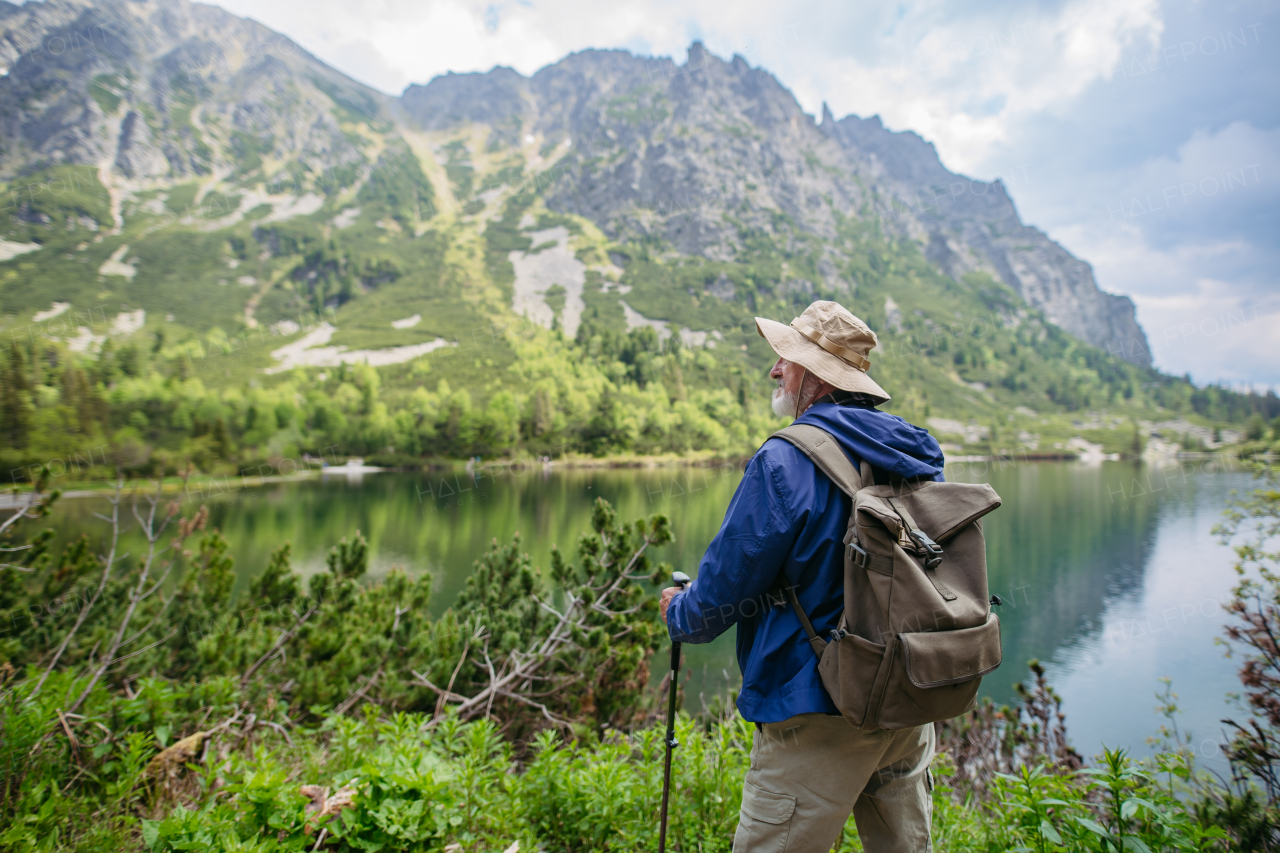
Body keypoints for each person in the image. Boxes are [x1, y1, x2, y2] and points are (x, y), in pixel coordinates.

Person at [660, 300, 945, 853]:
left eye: (785, 359)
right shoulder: (910, 453)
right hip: (907, 695)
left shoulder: (784, 461)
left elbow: (722, 592)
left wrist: (680, 612)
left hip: (818, 707)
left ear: (814, 374)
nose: (775, 369)